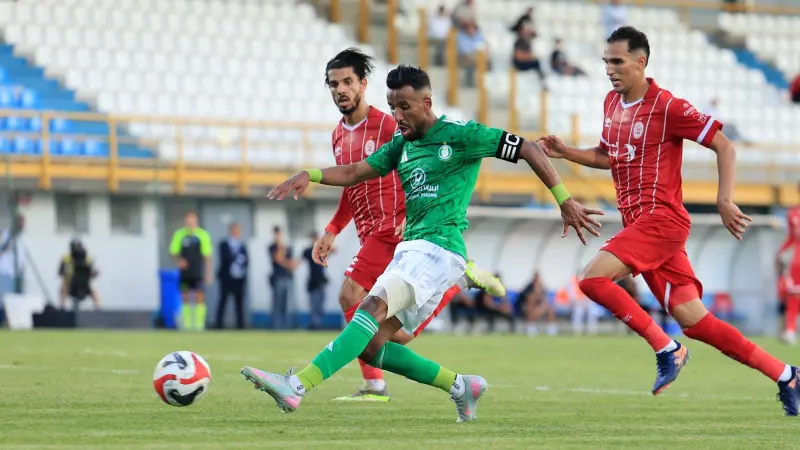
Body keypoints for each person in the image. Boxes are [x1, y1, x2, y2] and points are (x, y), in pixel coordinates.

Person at [240, 64, 601, 422]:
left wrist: (564, 200)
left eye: (404, 108)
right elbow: (354, 172)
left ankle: (297, 386)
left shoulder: (461, 134)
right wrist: (311, 174)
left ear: (426, 103)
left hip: (437, 247)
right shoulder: (402, 144)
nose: (397, 116)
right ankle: (461, 386)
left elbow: (527, 149)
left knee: (368, 307)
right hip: (414, 250)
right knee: (370, 347)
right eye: (392, 106)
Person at [538, 26, 800, 415]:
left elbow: (723, 145)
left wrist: (724, 199)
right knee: (695, 319)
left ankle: (668, 348)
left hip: (662, 220)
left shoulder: (668, 106)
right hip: (639, 225)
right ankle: (786, 375)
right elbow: (610, 155)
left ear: (640, 62)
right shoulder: (612, 103)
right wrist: (567, 152)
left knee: (592, 279)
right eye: (606, 61)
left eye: (617, 61)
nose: (610, 69)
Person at [309, 48, 506, 402]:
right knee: (394, 337)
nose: (340, 89)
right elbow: (352, 181)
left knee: (350, 296)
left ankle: (370, 385)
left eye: (347, 81)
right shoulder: (339, 135)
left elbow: (419, 169)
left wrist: (405, 216)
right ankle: (455, 285)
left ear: (363, 84)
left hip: (395, 228)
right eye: (333, 83)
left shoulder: (389, 124)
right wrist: (333, 228)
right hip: (373, 231)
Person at [169, 211, 212, 331]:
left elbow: (207, 256)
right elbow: (173, 252)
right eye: (188, 221)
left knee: (199, 296)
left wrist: (208, 273)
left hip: (197, 271)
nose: (190, 223)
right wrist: (179, 260)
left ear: (196, 222)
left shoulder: (202, 235)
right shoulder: (180, 234)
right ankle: (187, 325)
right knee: (185, 296)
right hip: (185, 272)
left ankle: (199, 325)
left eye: (192, 221)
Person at [776, 192, 800, 344]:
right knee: (792, 295)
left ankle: (790, 330)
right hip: (796, 261)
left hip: (796, 261)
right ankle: (790, 330)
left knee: (793, 295)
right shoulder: (792, 213)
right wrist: (781, 252)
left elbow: (794, 235)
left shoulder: (793, 214)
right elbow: (793, 237)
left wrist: (781, 252)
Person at [216, 222, 248, 330]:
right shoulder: (224, 244)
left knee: (239, 303)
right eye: (235, 230)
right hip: (227, 277)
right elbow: (224, 259)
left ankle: (240, 325)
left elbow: (247, 260)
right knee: (223, 301)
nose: (237, 232)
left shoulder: (242, 245)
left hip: (239, 278)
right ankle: (218, 324)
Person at [58, 238, 100, 311]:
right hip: (70, 284)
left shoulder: (87, 259)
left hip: (84, 285)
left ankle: (98, 308)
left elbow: (92, 273)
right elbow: (60, 272)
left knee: (94, 292)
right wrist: (66, 272)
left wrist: (95, 273)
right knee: (64, 288)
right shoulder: (66, 259)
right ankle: (63, 307)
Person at [268, 226, 296, 329]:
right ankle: (277, 326)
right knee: (277, 304)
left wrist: (285, 263)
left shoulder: (287, 247)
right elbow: (278, 259)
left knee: (287, 305)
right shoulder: (272, 247)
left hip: (287, 277)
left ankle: (286, 326)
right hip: (278, 278)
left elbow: (291, 264)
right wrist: (280, 246)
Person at [303, 232, 328, 330]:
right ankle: (315, 325)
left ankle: (317, 323)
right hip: (313, 282)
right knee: (314, 305)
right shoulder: (309, 251)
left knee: (320, 306)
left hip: (321, 281)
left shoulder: (321, 250)